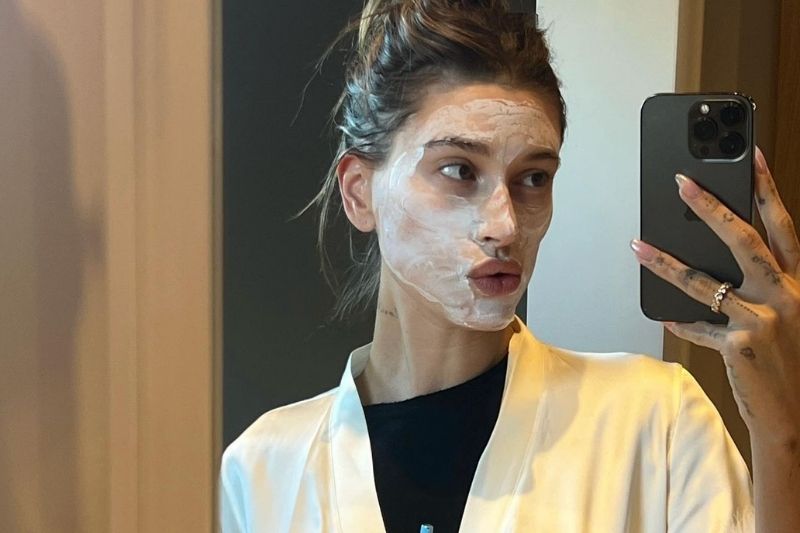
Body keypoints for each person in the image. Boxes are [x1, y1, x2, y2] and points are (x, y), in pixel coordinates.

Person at [220, 1, 800, 531]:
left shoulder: (655, 423)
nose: (505, 225)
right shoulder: (264, 469)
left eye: (533, 178)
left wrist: (782, 438)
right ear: (359, 193)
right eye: (458, 170)